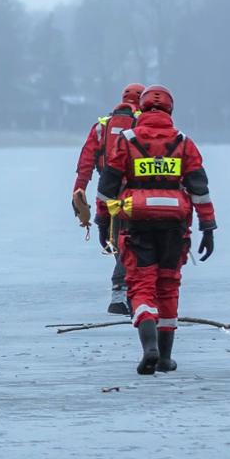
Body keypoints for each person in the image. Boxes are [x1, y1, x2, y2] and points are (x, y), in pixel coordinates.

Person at [96, 85, 216, 374]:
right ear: (170, 111)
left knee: (141, 287)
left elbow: (107, 188)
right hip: (175, 226)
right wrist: (208, 227)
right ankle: (164, 357)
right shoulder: (184, 142)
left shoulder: (127, 141)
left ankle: (148, 348)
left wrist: (103, 222)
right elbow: (200, 189)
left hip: (137, 223)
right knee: (168, 286)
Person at [73, 84, 143, 315]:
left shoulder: (101, 127)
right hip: (137, 192)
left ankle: (127, 295)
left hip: (108, 192)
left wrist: (78, 192)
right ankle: (121, 295)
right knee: (133, 243)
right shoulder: (144, 124)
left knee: (117, 242)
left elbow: (85, 164)